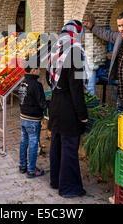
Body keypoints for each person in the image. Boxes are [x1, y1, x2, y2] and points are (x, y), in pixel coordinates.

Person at [46, 20, 89, 198]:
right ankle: (69, 187)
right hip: (68, 108)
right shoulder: (75, 53)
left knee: (56, 144)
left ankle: (55, 180)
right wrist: (83, 115)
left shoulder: (56, 49)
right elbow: (76, 88)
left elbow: (49, 80)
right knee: (70, 148)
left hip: (55, 103)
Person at [18, 55, 48, 178]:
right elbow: (42, 104)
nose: (39, 71)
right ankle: (31, 170)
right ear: (32, 70)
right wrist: (51, 103)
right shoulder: (36, 85)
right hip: (32, 120)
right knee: (33, 143)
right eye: (38, 68)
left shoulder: (22, 82)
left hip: (23, 117)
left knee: (23, 141)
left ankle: (22, 166)